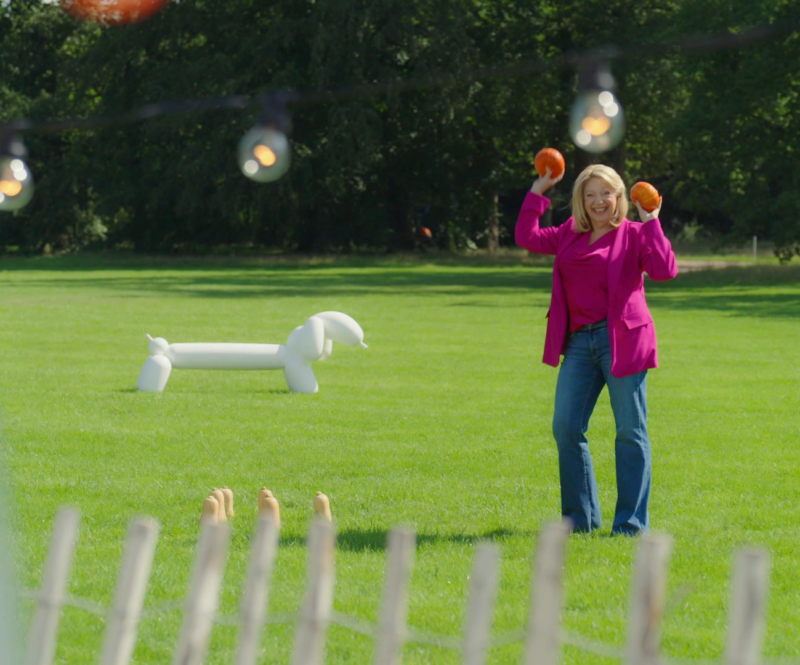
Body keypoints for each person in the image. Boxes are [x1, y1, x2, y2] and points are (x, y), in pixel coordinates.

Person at [515, 163, 678, 535]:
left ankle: (631, 525)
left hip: (621, 340)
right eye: (589, 195)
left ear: (619, 196)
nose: (598, 201)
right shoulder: (569, 233)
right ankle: (579, 520)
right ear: (581, 201)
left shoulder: (635, 234)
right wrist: (539, 189)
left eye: (605, 192)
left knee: (630, 431)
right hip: (578, 342)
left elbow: (666, 270)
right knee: (566, 427)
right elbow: (527, 236)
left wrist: (651, 220)